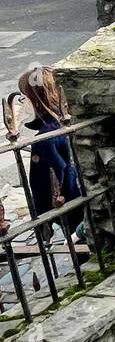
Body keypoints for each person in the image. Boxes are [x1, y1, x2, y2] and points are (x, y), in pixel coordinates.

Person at [3, 68, 84, 245]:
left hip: (68, 205)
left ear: (36, 99)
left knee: (80, 250)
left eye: (24, 98)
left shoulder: (44, 140)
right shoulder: (65, 122)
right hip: (80, 197)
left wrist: (41, 220)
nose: (21, 104)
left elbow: (41, 187)